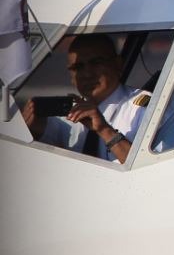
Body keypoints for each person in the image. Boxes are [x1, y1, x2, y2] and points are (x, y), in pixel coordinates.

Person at [23, 33, 151, 164]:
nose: (87, 74)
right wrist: (30, 130)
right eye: (78, 67)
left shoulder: (144, 110)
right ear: (71, 76)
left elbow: (148, 167)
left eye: (96, 63)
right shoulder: (68, 114)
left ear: (117, 64)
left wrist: (105, 130)